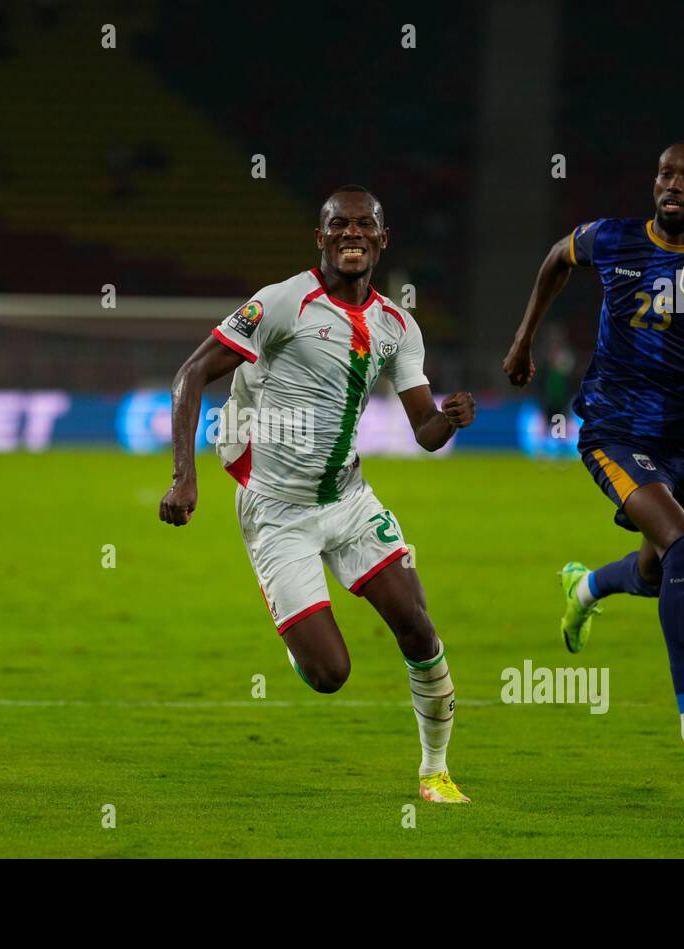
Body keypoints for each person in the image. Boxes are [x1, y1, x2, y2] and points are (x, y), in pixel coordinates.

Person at [159, 186, 476, 802]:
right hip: (277, 513)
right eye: (339, 225)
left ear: (382, 239)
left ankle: (434, 771)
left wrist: (451, 417)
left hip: (350, 502)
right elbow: (191, 373)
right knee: (330, 675)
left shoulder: (398, 326)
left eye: (364, 226)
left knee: (417, 626)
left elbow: (426, 434)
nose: (351, 234)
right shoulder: (281, 303)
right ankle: (299, 645)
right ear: (321, 238)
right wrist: (183, 476)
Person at [502, 142, 684, 773]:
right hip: (613, 429)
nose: (673, 184)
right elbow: (558, 256)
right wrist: (525, 335)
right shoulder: (612, 240)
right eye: (665, 174)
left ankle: (584, 587)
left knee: (657, 572)